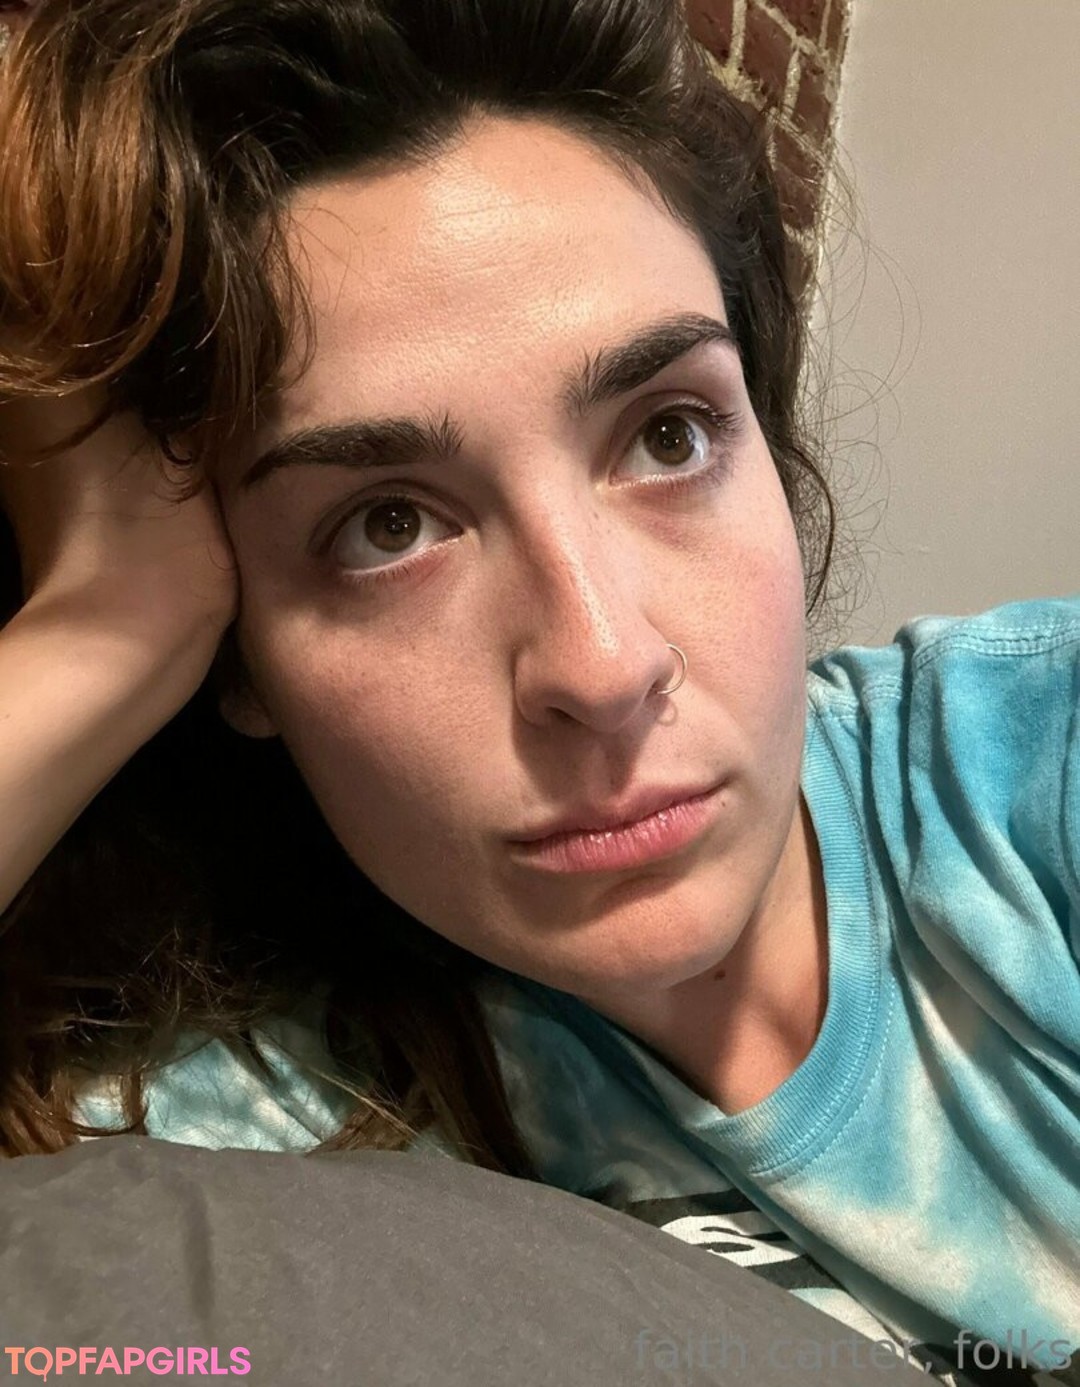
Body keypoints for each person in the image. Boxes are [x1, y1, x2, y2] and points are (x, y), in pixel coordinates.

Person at [0, 1, 1076, 1383]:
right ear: (237, 651)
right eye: (387, 525)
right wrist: (98, 631)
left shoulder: (1028, 774)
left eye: (670, 435)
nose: (605, 667)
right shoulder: (264, 1118)